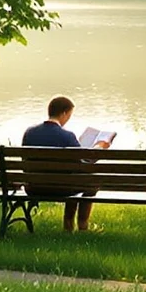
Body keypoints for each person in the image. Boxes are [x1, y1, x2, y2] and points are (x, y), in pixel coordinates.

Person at [21, 97, 94, 232]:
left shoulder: (29, 133)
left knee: (71, 179)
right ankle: (81, 225)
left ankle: (69, 225)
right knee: (89, 182)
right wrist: (99, 147)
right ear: (64, 113)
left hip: (33, 187)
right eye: (69, 115)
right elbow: (84, 163)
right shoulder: (67, 136)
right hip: (62, 189)